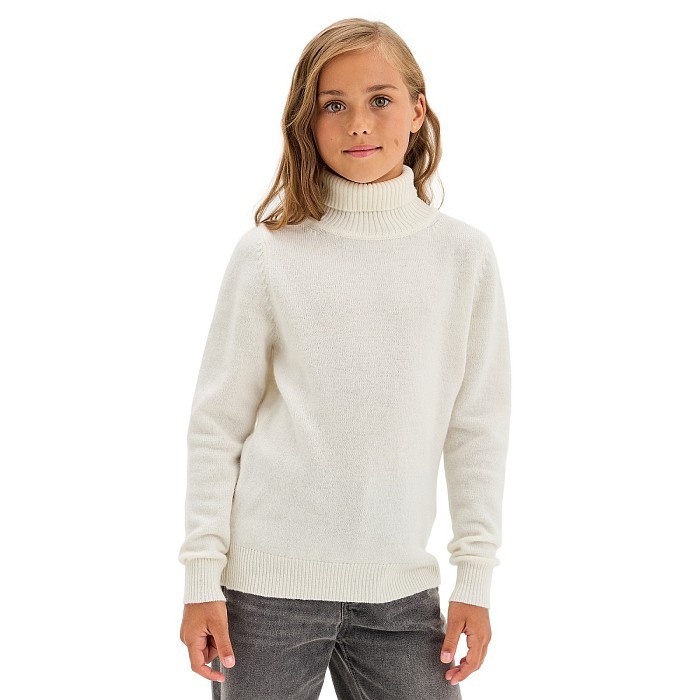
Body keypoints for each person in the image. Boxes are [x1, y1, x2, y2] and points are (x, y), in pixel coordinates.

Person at [178, 17, 511, 700]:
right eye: (334, 104)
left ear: (417, 110)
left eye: (380, 99)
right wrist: (199, 579)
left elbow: (476, 428)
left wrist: (474, 580)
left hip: (401, 596)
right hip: (263, 596)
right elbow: (217, 424)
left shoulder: (463, 257)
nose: (359, 122)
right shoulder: (269, 253)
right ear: (308, 120)